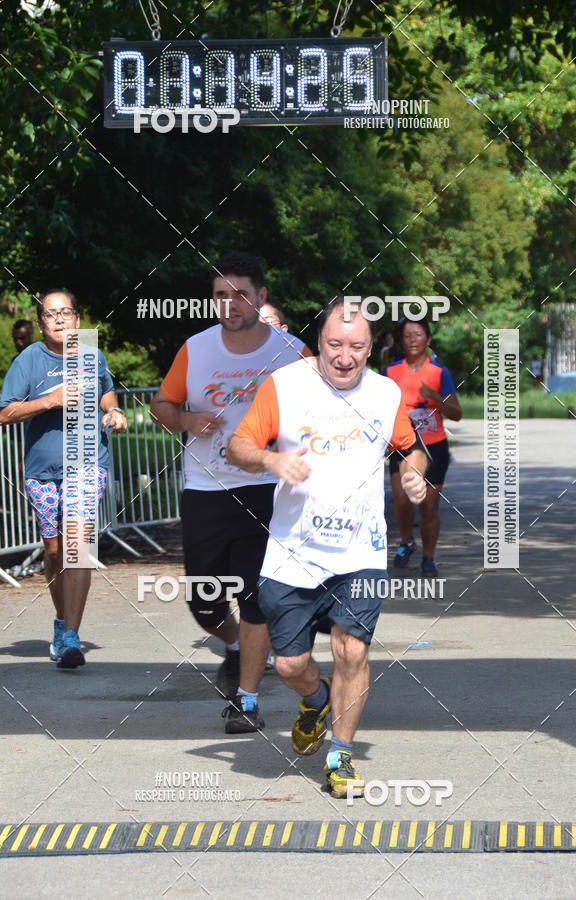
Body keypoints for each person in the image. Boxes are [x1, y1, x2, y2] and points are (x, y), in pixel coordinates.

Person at [227, 297, 427, 798]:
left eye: (356, 346)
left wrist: (413, 473)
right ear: (318, 342)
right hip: (292, 551)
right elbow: (239, 445)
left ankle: (340, 754)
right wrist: (272, 462)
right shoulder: (286, 385)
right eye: (335, 345)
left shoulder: (383, 393)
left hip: (360, 552)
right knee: (289, 665)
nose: (344, 356)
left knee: (352, 650)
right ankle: (313, 699)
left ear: (371, 346)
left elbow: (412, 448)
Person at [150, 252, 311, 734]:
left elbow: (327, 407)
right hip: (207, 489)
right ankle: (238, 644)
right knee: (204, 601)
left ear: (260, 297)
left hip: (267, 488)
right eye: (221, 295)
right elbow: (161, 404)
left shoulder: (291, 351)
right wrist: (184, 420)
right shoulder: (195, 350)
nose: (230, 303)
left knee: (255, 595)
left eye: (240, 293)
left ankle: (247, 698)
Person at [0, 290, 128, 667]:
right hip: (42, 469)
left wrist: (114, 410)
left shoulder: (90, 352)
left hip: (88, 462)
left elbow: (105, 389)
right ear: (40, 324)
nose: (59, 319)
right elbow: (5, 413)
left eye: (65, 312)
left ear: (76, 318)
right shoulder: (28, 360)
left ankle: (71, 636)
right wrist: (49, 401)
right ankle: (61, 622)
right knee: (55, 551)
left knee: (77, 543)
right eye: (50, 314)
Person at [384, 317, 462, 577]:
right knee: (403, 499)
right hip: (402, 445)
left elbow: (457, 413)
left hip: (434, 447)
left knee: (429, 507)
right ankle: (407, 542)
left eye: (418, 334)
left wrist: (434, 397)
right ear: (401, 341)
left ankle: (429, 557)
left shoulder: (440, 373)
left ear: (427, 339)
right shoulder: (391, 372)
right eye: (407, 335)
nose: (412, 339)